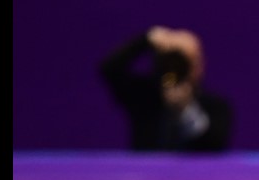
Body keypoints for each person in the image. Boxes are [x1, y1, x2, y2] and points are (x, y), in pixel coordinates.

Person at [98, 26, 234, 152]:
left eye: (187, 60)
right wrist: (146, 40)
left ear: (200, 66)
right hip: (147, 176)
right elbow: (109, 69)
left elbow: (215, 146)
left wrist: (185, 110)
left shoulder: (216, 105)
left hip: (194, 178)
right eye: (172, 59)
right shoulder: (143, 97)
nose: (177, 67)